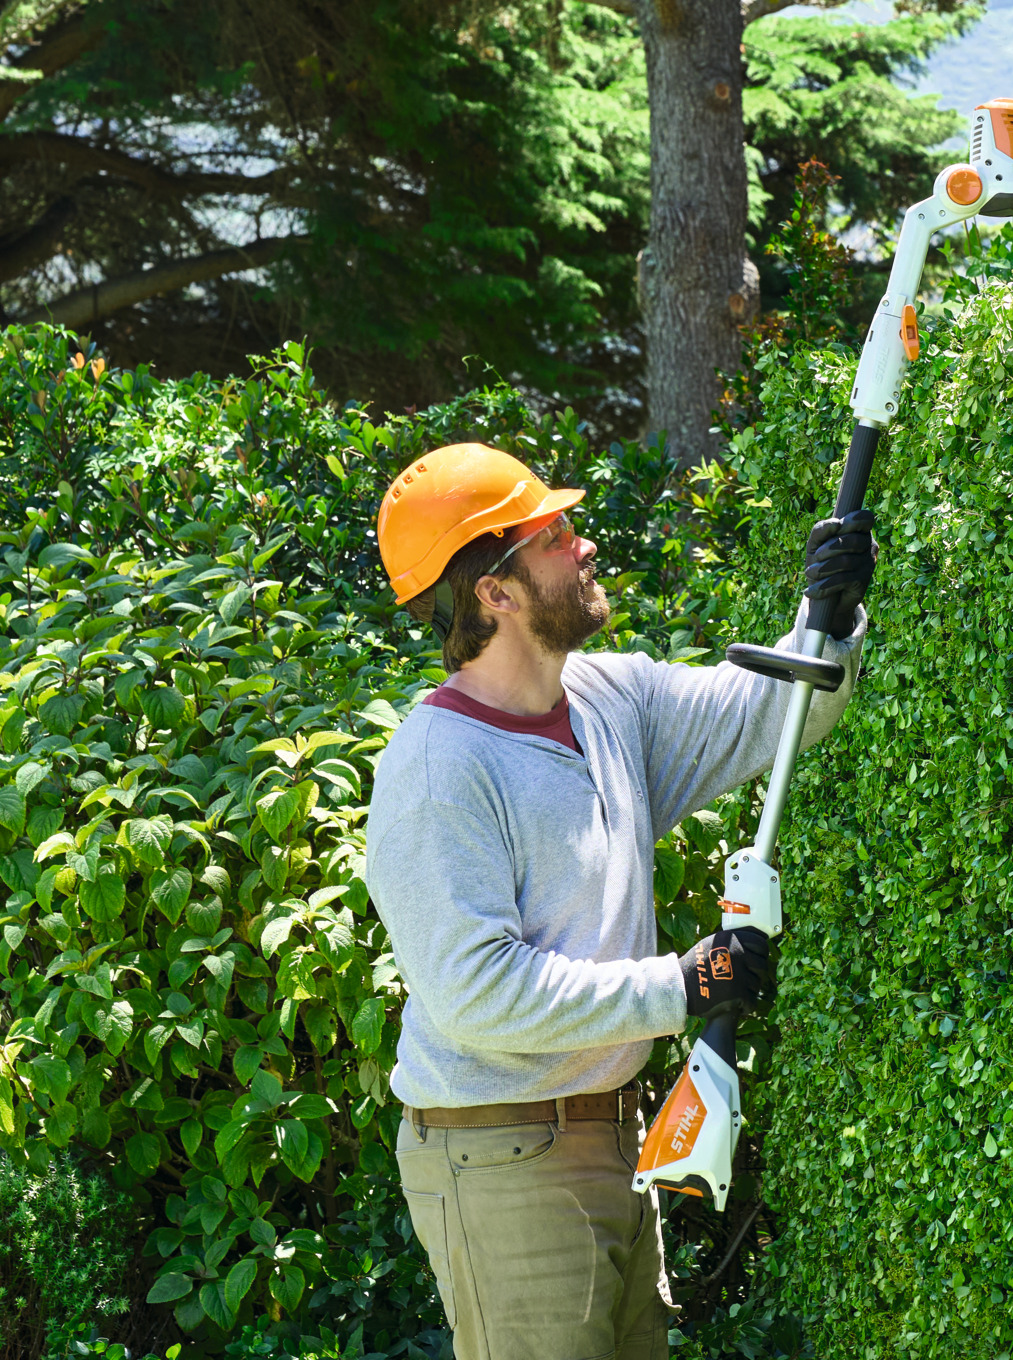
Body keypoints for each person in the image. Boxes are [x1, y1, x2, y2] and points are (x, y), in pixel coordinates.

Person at [362, 442, 874, 1360]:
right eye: (555, 533)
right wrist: (682, 985)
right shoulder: (438, 770)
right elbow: (477, 995)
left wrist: (829, 617)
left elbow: (774, 709)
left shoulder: (605, 697)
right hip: (500, 1161)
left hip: (611, 1133)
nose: (584, 543)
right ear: (496, 592)